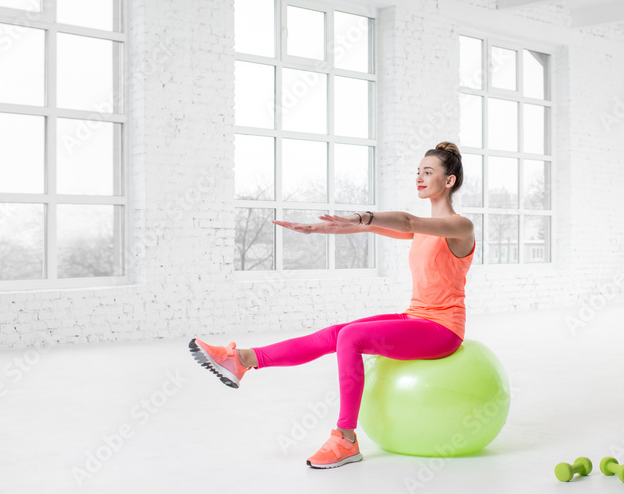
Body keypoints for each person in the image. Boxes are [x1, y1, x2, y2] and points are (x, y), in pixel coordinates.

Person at [189, 141, 475, 469]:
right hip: (415, 316)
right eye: (417, 172)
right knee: (336, 333)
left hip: (442, 329)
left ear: (449, 181)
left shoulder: (459, 227)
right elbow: (372, 227)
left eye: (428, 172)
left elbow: (406, 221)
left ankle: (346, 439)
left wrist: (362, 214)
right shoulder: (425, 230)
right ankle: (241, 360)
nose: (419, 178)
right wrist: (317, 228)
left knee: (351, 339)